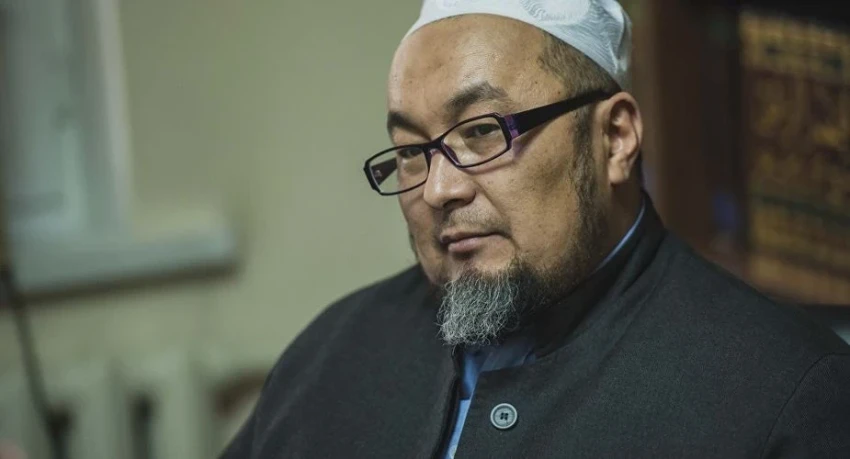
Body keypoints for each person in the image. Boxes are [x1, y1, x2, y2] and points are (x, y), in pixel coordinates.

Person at [222, 1, 850, 457]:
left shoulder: (786, 395)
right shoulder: (335, 351)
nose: (438, 190)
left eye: (482, 132)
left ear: (615, 138)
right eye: (412, 152)